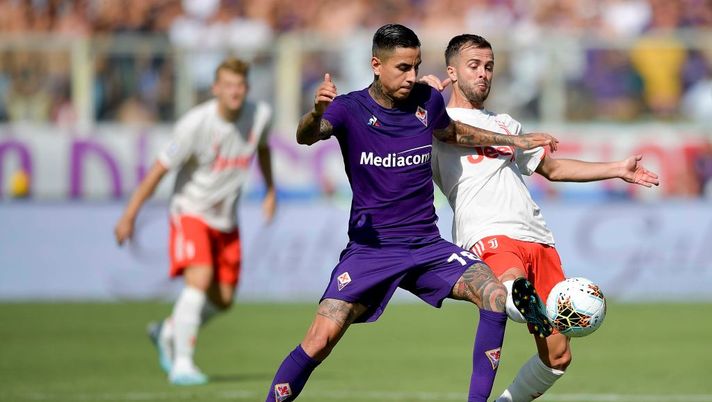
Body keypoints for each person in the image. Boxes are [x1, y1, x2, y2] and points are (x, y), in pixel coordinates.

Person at [265, 24, 558, 402]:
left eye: (416, 66)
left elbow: (453, 133)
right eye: (403, 67)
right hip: (372, 251)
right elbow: (307, 135)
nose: (412, 76)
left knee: (495, 295)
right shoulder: (349, 109)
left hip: (426, 247)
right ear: (376, 65)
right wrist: (315, 112)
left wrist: (514, 140)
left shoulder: (427, 101)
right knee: (319, 341)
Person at [429, 34, 660, 402]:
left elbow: (552, 169)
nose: (484, 73)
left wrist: (617, 168)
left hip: (537, 237)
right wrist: (421, 96)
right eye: (474, 66)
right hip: (487, 230)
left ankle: (517, 336)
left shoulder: (505, 123)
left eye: (489, 66)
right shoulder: (436, 119)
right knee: (510, 284)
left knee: (557, 358)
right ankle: (518, 301)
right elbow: (445, 132)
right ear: (452, 72)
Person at [114, 57, 276, 386]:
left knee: (224, 299)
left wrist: (271, 189)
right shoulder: (194, 125)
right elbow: (158, 171)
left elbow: (262, 149)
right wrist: (129, 215)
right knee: (199, 280)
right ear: (215, 88)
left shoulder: (260, 115)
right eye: (228, 86)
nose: (234, 92)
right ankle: (182, 364)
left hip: (226, 219)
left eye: (240, 86)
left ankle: (168, 331)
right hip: (191, 211)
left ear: (247, 88)